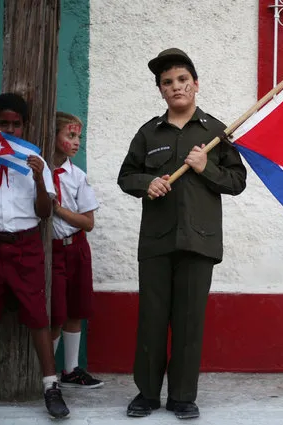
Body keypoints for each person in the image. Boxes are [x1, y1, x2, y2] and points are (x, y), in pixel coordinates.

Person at [117, 48, 246, 419]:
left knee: (189, 323)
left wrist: (206, 167)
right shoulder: (148, 133)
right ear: (161, 91)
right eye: (167, 82)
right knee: (152, 320)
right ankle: (146, 394)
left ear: (195, 84)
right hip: (157, 241)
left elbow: (237, 182)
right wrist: (147, 183)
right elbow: (126, 176)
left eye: (182, 80)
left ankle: (183, 397)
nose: (176, 87)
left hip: (198, 241)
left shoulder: (216, 133)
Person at [0, 93, 70, 418]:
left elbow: (45, 212)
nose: (10, 129)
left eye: (16, 124)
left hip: (26, 246)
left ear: (25, 126)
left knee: (37, 316)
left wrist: (38, 178)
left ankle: (51, 386)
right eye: (3, 123)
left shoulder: (35, 165)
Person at [50, 112, 103, 389]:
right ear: (52, 136)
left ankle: (70, 370)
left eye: (78, 136)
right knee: (55, 313)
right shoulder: (38, 175)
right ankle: (44, 374)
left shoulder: (77, 177)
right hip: (51, 253)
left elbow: (88, 222)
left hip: (77, 248)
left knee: (75, 310)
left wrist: (58, 209)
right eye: (70, 135)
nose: (76, 142)